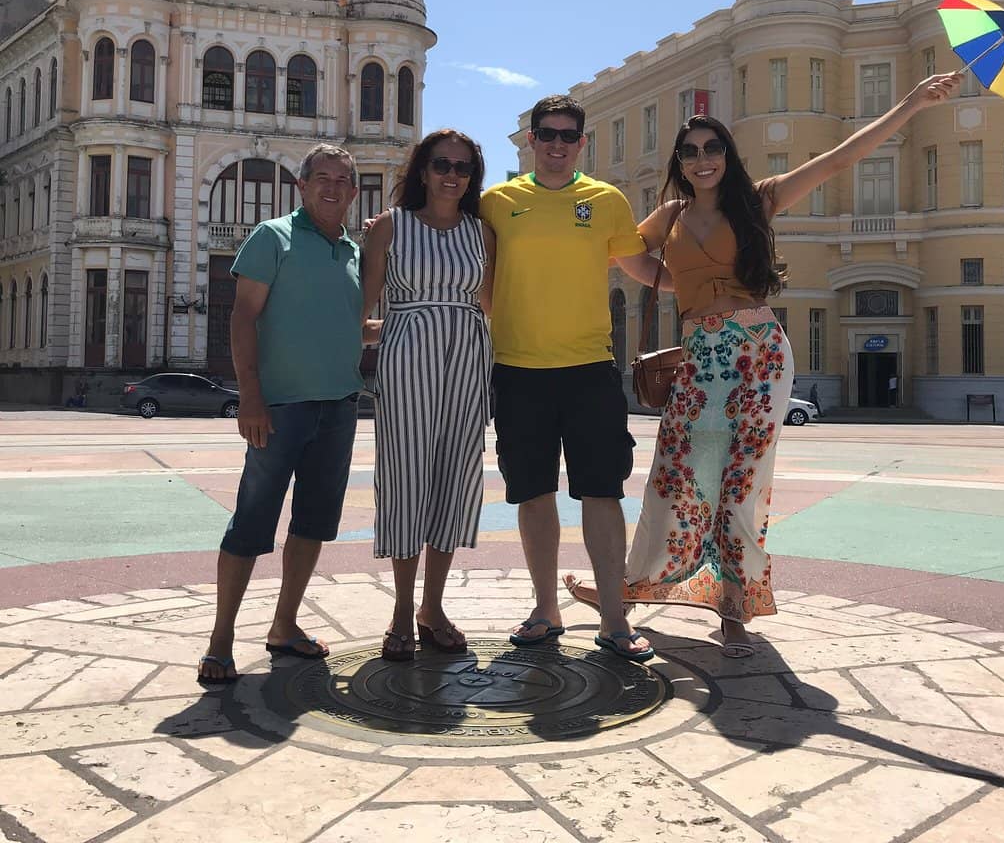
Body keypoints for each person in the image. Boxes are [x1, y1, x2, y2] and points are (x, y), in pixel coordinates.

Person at [565, 72, 960, 658]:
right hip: (700, 357)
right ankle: (631, 586)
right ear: (680, 162)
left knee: (742, 482)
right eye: (691, 152)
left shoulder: (757, 200)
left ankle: (734, 607)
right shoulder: (669, 216)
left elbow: (837, 159)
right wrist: (680, 282)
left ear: (727, 155)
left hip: (759, 354)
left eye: (713, 148)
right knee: (676, 474)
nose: (703, 160)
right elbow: (620, 253)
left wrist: (910, 103)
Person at [480, 95, 663, 663]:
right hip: (518, 370)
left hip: (589, 370)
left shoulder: (606, 200)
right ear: (531, 140)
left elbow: (639, 266)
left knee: (602, 492)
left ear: (582, 143)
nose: (556, 144)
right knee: (532, 493)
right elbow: (471, 268)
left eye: (567, 135)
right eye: (547, 134)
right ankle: (545, 610)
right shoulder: (496, 202)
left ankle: (614, 619)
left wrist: (717, 282)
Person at [197, 144, 363, 685]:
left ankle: (284, 625)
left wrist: (423, 323)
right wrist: (249, 395)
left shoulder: (353, 252)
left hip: (339, 407)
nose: (332, 187)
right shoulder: (274, 236)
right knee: (251, 521)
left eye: (342, 180)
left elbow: (348, 327)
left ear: (353, 192)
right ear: (302, 186)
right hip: (279, 409)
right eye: (322, 178)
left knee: (313, 523)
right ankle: (221, 640)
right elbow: (243, 316)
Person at [361, 129, 495, 661]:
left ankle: (432, 608)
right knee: (405, 480)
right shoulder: (390, 227)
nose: (451, 175)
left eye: (463, 167)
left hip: (467, 364)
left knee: (453, 481)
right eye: (441, 164)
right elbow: (361, 306)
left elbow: (489, 306)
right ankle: (401, 610)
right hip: (406, 366)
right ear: (423, 169)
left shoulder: (483, 234)